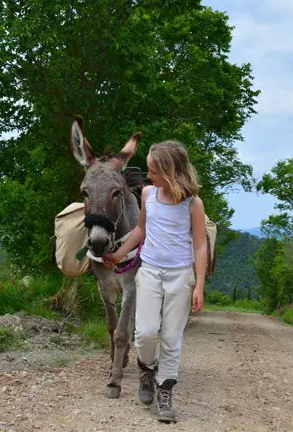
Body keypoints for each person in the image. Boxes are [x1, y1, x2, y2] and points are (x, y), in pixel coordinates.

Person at [105, 140, 207, 423]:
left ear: (172, 172)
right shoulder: (148, 194)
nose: (148, 176)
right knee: (146, 333)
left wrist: (198, 285)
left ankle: (165, 394)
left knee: (172, 339)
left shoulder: (193, 203)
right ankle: (146, 368)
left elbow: (200, 246)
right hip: (149, 271)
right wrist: (118, 255)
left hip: (180, 276)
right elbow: (141, 230)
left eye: (153, 171)